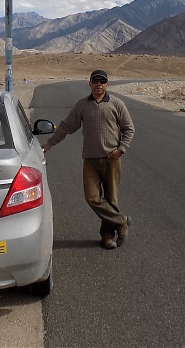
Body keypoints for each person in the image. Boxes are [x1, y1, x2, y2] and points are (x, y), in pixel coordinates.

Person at [41, 69, 135, 249]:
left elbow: (129, 129)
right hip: (90, 160)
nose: (99, 84)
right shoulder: (82, 105)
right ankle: (121, 221)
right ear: (90, 83)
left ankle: (107, 236)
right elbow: (67, 126)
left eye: (102, 81)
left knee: (111, 200)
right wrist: (49, 143)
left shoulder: (117, 104)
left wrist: (121, 150)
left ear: (107, 84)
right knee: (92, 197)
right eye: (95, 81)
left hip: (112, 160)